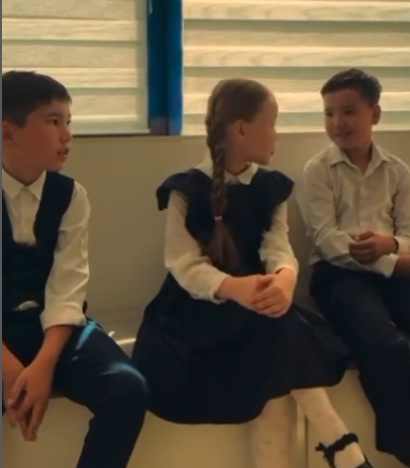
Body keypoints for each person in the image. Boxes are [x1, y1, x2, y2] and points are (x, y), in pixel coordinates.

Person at [133, 78, 373, 468]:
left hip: (259, 303)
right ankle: (339, 443)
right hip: (199, 310)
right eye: (272, 123)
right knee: (274, 332)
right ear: (242, 128)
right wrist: (232, 288)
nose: (277, 134)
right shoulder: (186, 190)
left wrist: (285, 278)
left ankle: (335, 446)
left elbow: (278, 246)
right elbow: (183, 264)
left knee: (273, 332)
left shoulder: (271, 187)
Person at [298, 68, 410, 468]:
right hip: (339, 276)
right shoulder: (317, 171)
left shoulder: (397, 170)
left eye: (348, 111)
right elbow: (328, 240)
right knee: (384, 345)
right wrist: (394, 263)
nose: (337, 122)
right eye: (329, 113)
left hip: (399, 273)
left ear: (374, 114)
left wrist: (391, 245)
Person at [2, 70, 149, 468]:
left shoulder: (71, 196)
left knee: (127, 387)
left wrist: (44, 365)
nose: (67, 135)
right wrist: (10, 368)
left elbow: (67, 288)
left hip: (55, 329)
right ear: (8, 133)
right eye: (53, 122)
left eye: (69, 121)